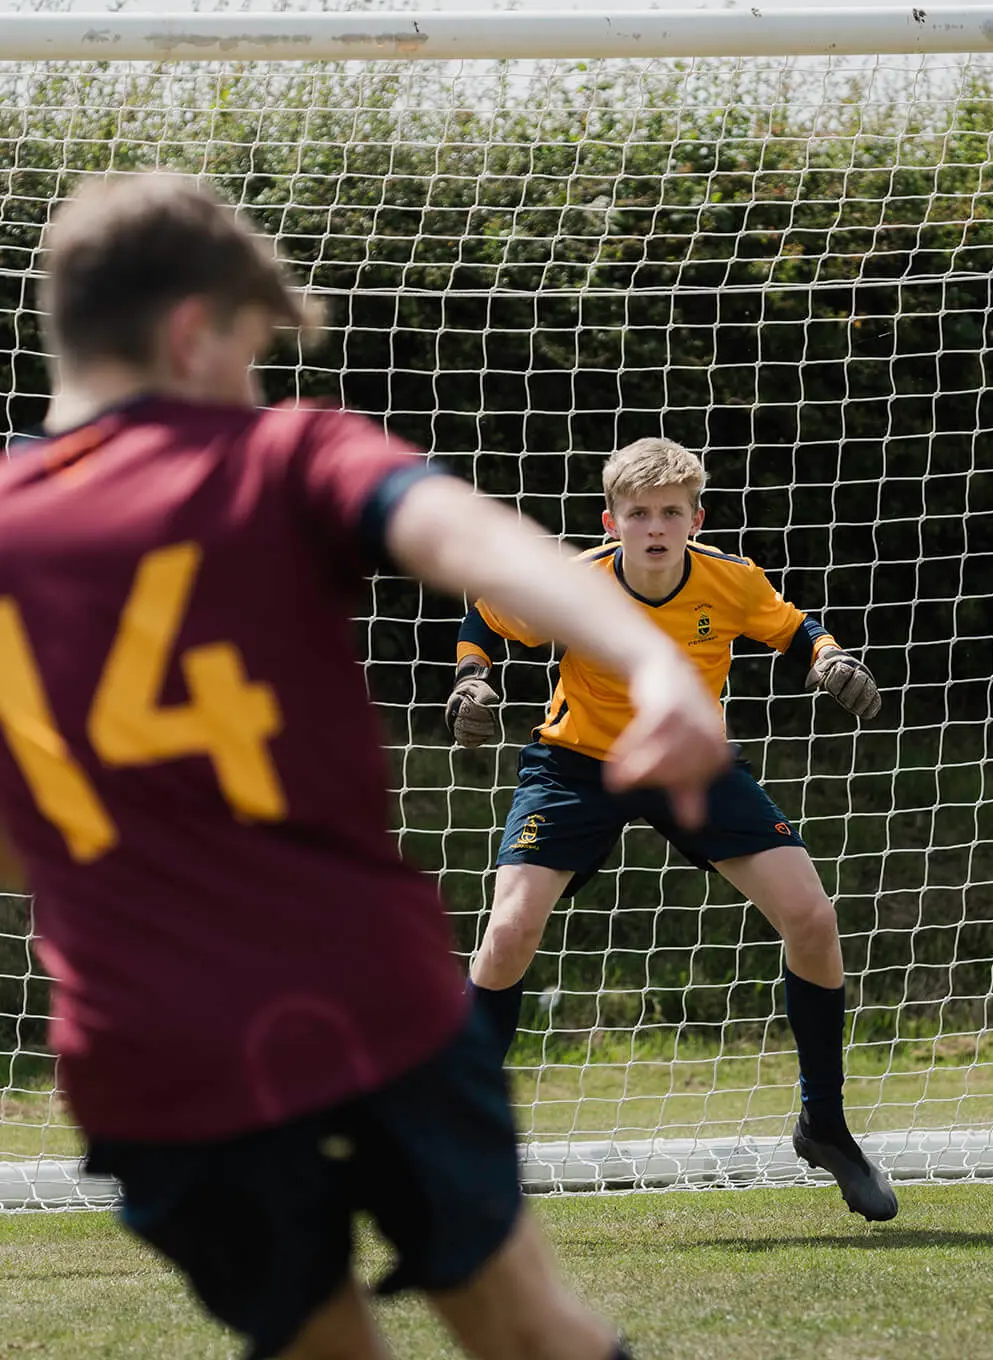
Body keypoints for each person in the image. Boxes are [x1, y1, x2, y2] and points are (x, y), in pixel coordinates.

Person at [0, 170, 732, 1360]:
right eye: (249, 351)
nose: (257, 386)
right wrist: (651, 666)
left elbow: (16, 848)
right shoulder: (278, 453)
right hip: (361, 999)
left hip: (145, 1057)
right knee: (528, 1329)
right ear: (193, 330)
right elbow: (475, 538)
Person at [449, 437, 898, 1223]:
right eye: (638, 513)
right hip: (576, 766)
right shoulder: (571, 583)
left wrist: (831, 660)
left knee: (812, 918)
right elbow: (485, 619)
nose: (654, 527)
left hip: (692, 761)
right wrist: (471, 684)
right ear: (611, 520)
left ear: (696, 518)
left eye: (669, 512)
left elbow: (795, 629)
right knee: (511, 929)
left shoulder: (729, 580)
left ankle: (823, 1125)